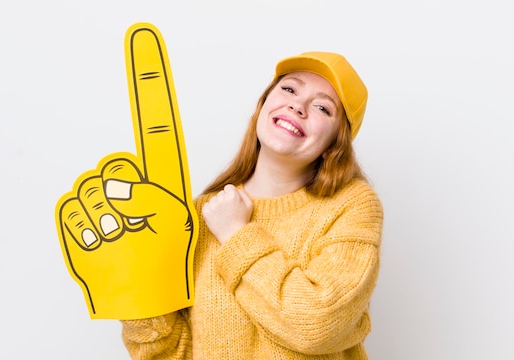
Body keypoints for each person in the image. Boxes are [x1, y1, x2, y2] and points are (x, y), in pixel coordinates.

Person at [120, 51, 383, 359]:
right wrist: (133, 290)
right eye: (289, 89)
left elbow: (316, 325)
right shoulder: (197, 216)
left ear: (334, 144)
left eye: (322, 107)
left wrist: (235, 233)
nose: (297, 105)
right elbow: (169, 352)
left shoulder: (350, 207)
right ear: (262, 106)